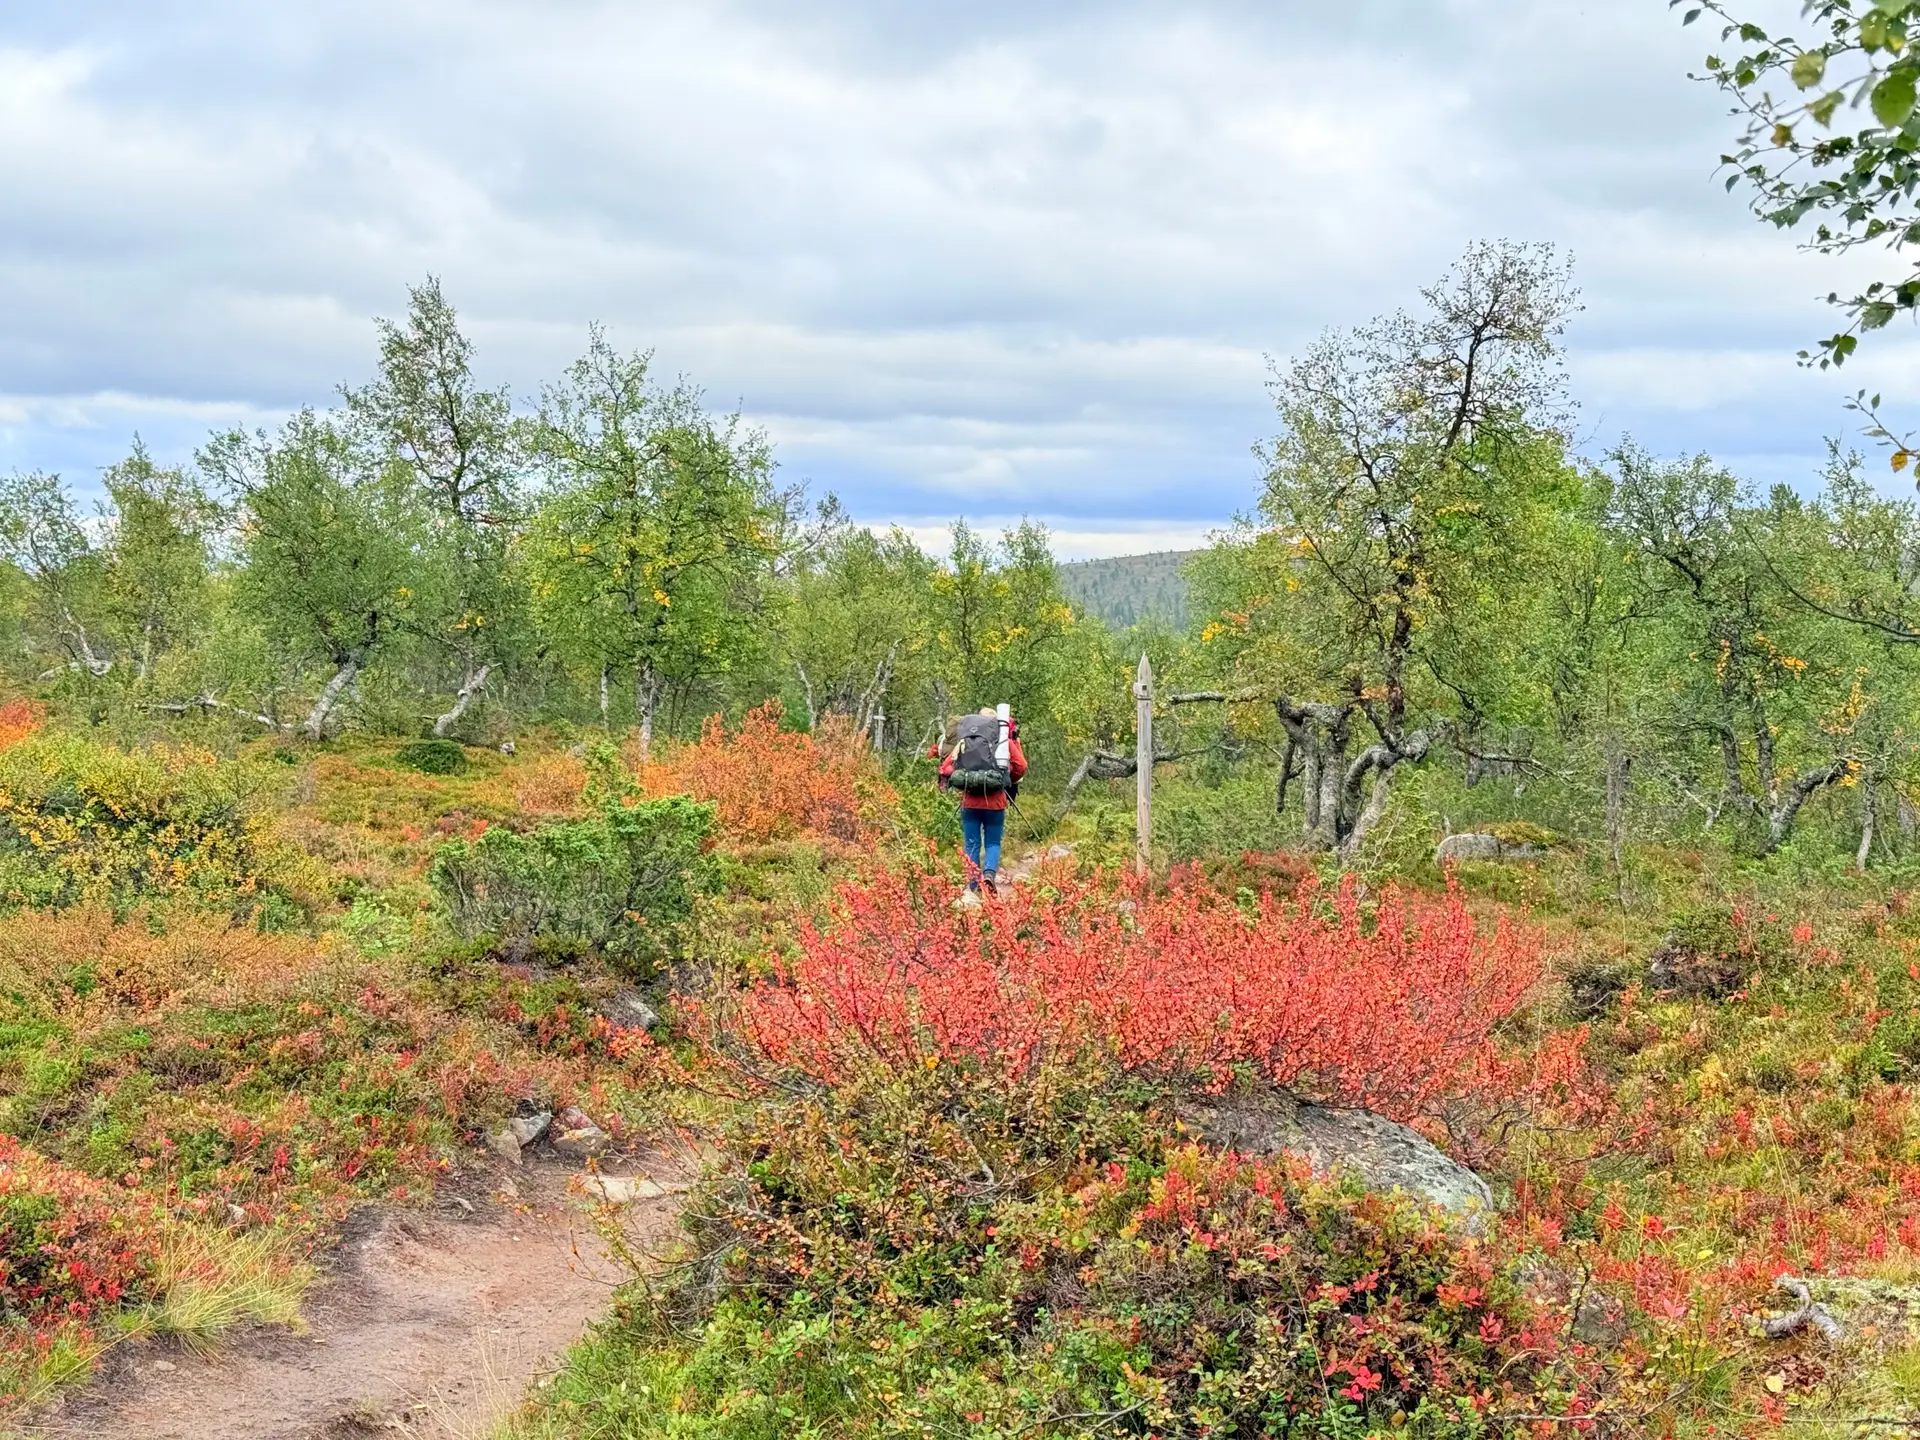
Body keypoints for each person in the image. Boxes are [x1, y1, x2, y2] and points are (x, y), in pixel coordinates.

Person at [937, 706, 1027, 894]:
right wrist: (1006, 776)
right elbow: (1021, 766)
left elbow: (945, 768)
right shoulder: (1002, 741)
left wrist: (965, 777)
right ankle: (988, 875)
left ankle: (973, 884)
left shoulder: (965, 741)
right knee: (993, 843)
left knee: (971, 843)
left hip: (969, 801)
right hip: (996, 802)